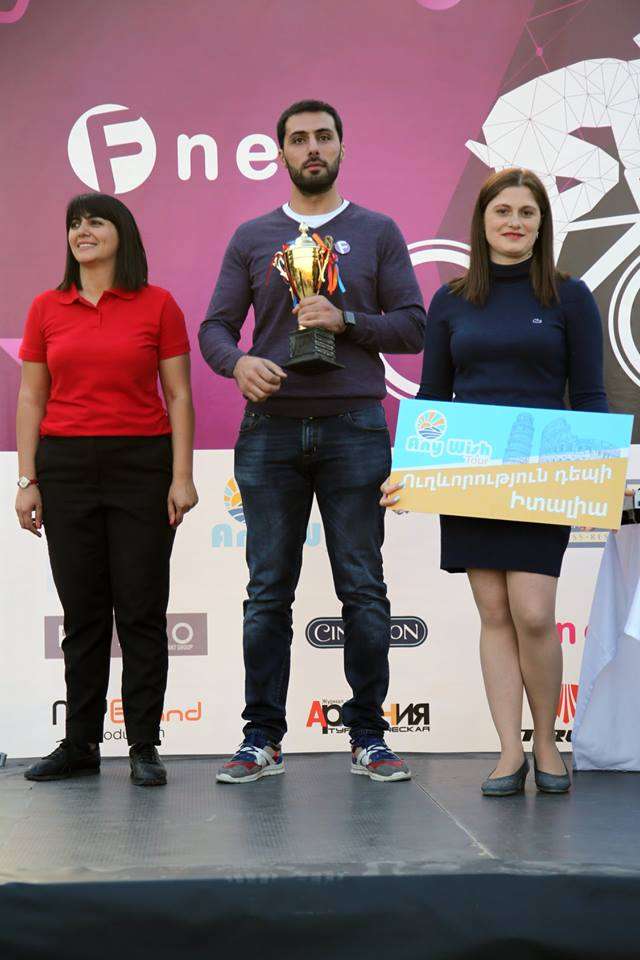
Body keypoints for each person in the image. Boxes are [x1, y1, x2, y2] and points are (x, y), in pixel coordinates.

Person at [199, 99, 426, 783]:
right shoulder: (253, 237)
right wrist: (238, 363)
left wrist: (347, 319)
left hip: (354, 425)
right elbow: (214, 329)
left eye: (323, 136)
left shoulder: (377, 231)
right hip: (269, 430)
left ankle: (369, 736)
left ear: (341, 148)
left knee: (362, 587)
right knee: (268, 591)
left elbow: (413, 325)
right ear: (282, 154)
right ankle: (261, 738)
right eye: (298, 139)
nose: (312, 148)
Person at [382, 168, 608, 795]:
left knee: (534, 613)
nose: (514, 222)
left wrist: (600, 472)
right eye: (502, 211)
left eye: (527, 212)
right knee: (493, 612)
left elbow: (590, 395)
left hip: (543, 475)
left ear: (542, 224)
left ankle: (547, 742)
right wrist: (410, 471)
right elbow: (433, 397)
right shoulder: (452, 300)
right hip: (470, 477)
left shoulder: (570, 297)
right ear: (482, 223)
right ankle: (510, 751)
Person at [16, 193, 197, 787]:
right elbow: (31, 397)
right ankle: (80, 745)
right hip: (65, 468)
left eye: (95, 221)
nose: (82, 231)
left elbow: (178, 395)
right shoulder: (46, 307)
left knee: (141, 612)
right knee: (83, 614)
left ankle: (143, 745)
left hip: (142, 467)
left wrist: (181, 475)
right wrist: (27, 479)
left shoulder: (158, 303)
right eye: (74, 224)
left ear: (123, 234)